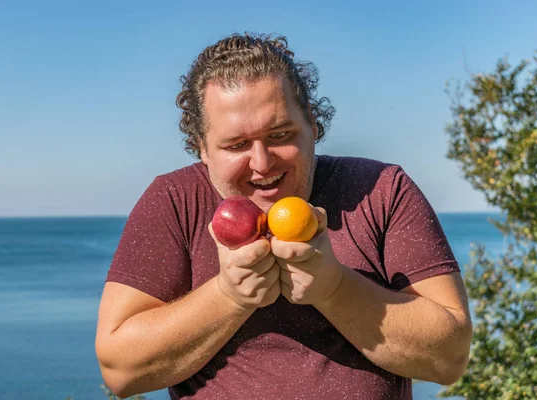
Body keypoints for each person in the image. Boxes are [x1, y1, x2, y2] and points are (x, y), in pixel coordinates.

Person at [95, 33, 472, 399]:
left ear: (311, 122)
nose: (262, 163)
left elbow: (449, 358)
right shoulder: (175, 201)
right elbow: (120, 371)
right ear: (202, 148)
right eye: (236, 145)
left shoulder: (381, 190)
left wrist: (336, 289)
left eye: (280, 135)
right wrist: (229, 296)